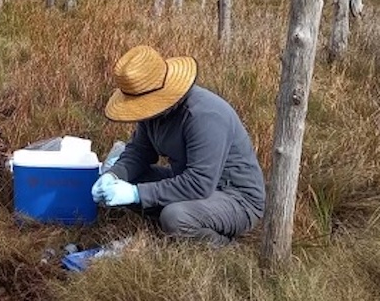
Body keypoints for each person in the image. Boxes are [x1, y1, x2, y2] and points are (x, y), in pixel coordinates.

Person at [91, 45, 265, 246]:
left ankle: (226, 249)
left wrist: (136, 194)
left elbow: (199, 183)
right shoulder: (153, 114)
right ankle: (178, 229)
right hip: (192, 183)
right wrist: (113, 175)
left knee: (175, 217)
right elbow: (139, 152)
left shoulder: (204, 116)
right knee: (131, 176)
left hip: (235, 197)